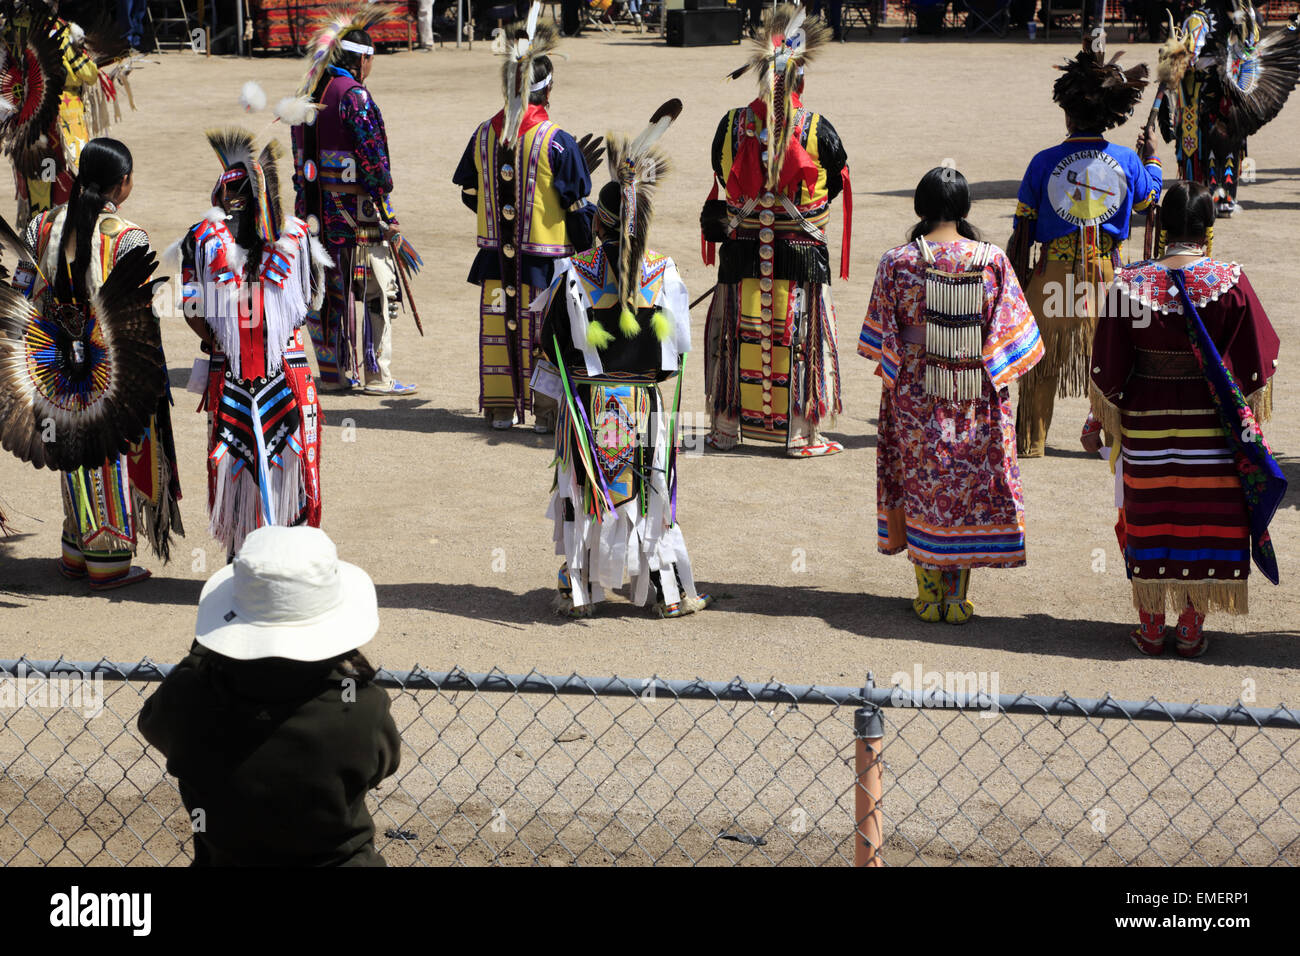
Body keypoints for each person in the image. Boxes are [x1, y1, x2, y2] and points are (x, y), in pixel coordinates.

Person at [1089, 181, 1283, 658]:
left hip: (1147, 425)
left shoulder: (1128, 284)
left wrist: (1101, 420)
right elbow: (1256, 363)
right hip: (1212, 427)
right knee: (1205, 516)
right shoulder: (1231, 281)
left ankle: (1152, 627)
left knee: (1149, 515)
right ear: (1207, 228)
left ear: (1163, 228)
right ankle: (1191, 627)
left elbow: (1109, 368)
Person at [534, 103, 709, 619]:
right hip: (641, 403)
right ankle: (666, 592)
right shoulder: (664, 273)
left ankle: (580, 589)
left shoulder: (574, 273)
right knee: (651, 494)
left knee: (583, 493)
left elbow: (553, 347)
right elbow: (674, 357)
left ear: (599, 221)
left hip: (588, 406)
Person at [137, 525, 402, 866]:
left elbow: (153, 725)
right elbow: (383, 765)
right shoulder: (362, 707)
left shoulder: (189, 699)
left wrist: (207, 648)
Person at [860, 168, 1043, 624]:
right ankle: (957, 597)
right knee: (967, 484)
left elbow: (881, 338)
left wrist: (905, 364)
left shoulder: (897, 262)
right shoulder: (991, 259)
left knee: (921, 482)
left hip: (915, 393)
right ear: (964, 208)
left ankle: (926, 594)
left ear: (921, 208)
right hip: (974, 388)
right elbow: (1013, 334)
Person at [15, 138, 182, 588]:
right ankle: (106, 556)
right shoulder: (128, 238)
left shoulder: (40, 227)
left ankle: (74, 547)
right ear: (122, 183)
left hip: (49, 364)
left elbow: (22, 291)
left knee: (68, 447)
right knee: (106, 453)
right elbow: (138, 323)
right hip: (106, 373)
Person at [701, 4, 851, 458]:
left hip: (743, 253)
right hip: (799, 257)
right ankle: (801, 435)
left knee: (735, 338)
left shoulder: (730, 126)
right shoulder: (818, 129)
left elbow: (720, 176)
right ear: (800, 79)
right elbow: (836, 178)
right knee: (800, 340)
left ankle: (727, 429)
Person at [177, 127, 329, 560]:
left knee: (236, 461)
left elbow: (191, 310)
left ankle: (242, 560)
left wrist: (223, 340)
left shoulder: (201, 239)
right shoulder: (297, 237)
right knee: (291, 461)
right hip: (290, 374)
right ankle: (290, 557)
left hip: (230, 378)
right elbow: (313, 301)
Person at [1007, 42, 1161, 459]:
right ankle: (1115, 442)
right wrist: (1154, 161)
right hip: (1107, 275)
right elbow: (1150, 201)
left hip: (1051, 274)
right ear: (1111, 114)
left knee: (1040, 362)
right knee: (1113, 358)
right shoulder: (1128, 161)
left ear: (1067, 111)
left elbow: (1023, 229)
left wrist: (1017, 279)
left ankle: (1030, 441)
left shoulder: (1043, 162)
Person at [453, 4, 596, 432]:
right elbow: (575, 206)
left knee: (502, 327)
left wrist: (497, 214)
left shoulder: (483, 133)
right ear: (547, 91)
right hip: (546, 263)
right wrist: (589, 241)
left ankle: (500, 409)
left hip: (496, 259)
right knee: (546, 334)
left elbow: (470, 193)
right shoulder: (557, 143)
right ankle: (546, 413)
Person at [291, 15, 417, 396]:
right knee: (379, 286)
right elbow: (374, 160)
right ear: (362, 59)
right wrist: (387, 210)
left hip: (313, 211)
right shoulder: (354, 96)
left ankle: (332, 373)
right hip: (355, 210)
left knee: (323, 287)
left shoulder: (309, 91)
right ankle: (378, 375)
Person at [1157, 1, 1300, 218]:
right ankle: (1225, 199)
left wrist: (1170, 58)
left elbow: (1189, 56)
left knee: (1199, 144)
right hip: (1232, 93)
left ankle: (1201, 200)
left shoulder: (1199, 18)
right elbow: (1251, 45)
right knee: (1228, 142)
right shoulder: (1244, 14)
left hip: (1202, 94)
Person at [4, 3, 99, 230]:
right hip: (59, 120)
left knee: (41, 176)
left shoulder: (11, 29)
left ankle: (40, 232)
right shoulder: (62, 30)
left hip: (32, 117)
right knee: (65, 178)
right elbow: (90, 75)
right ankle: (59, 234)